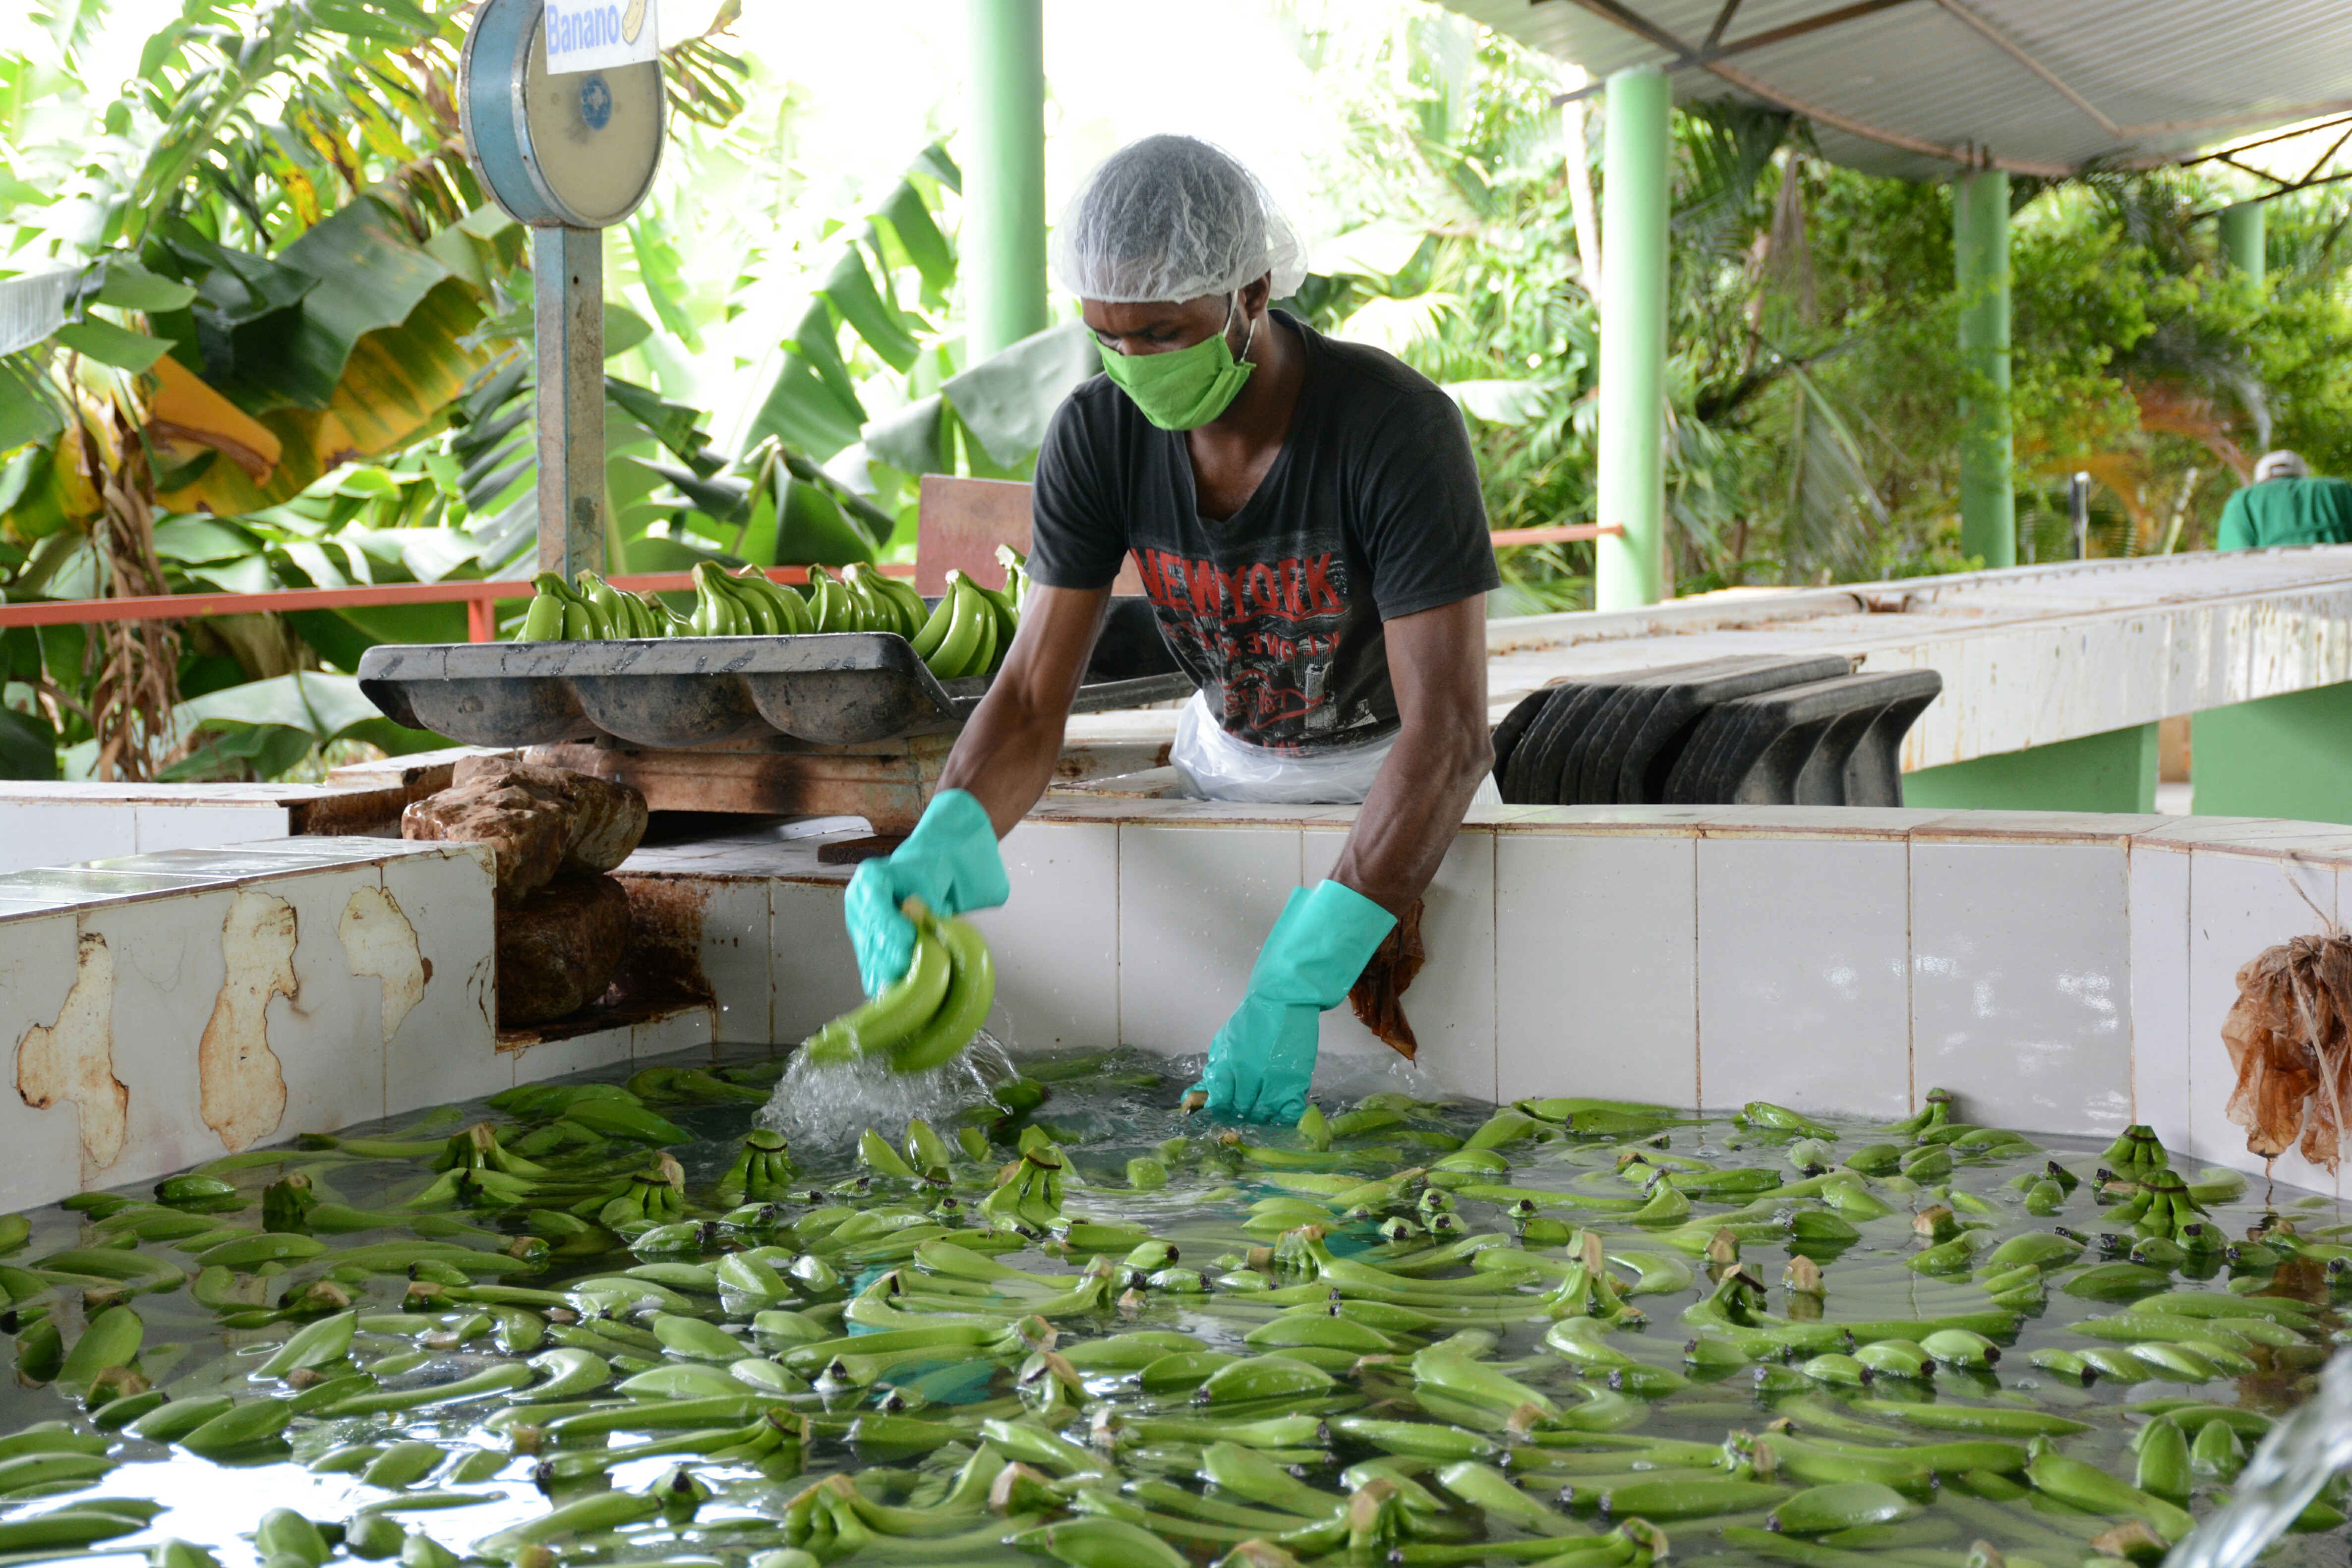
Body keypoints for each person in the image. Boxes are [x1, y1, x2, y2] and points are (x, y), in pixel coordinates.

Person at [839, 135, 1500, 1124]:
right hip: (1225, 765)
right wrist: (940, 841)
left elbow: (1446, 736)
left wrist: (1302, 972)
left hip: (1392, 781)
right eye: (1106, 336)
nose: (1133, 365)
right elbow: (1030, 695)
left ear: (1249, 292)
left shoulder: (1390, 428)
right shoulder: (1097, 435)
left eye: (1160, 333)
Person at [2216, 450, 2352, 550]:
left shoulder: (2242, 501)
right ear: (2302, 477)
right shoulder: (2342, 489)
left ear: (2260, 479)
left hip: (2276, 579)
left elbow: (2233, 557)